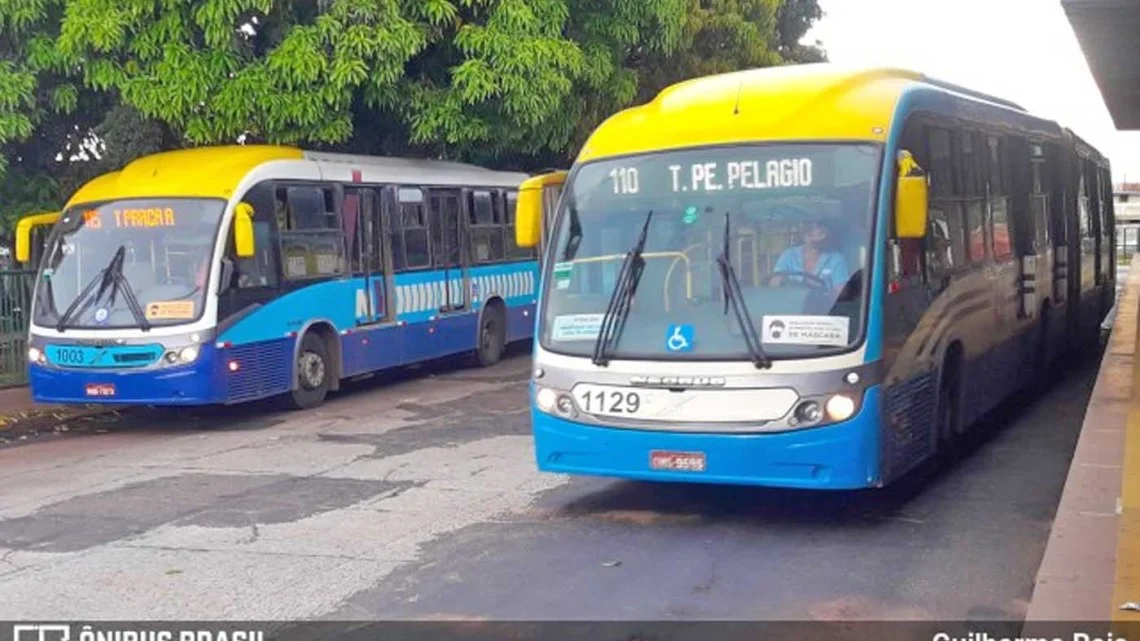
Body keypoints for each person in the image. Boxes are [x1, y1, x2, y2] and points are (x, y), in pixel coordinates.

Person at [771, 219, 850, 292]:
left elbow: (840, 294)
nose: (815, 239)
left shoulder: (836, 259)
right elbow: (774, 284)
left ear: (828, 235)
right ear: (804, 236)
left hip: (822, 305)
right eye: (810, 234)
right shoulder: (789, 255)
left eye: (821, 234)